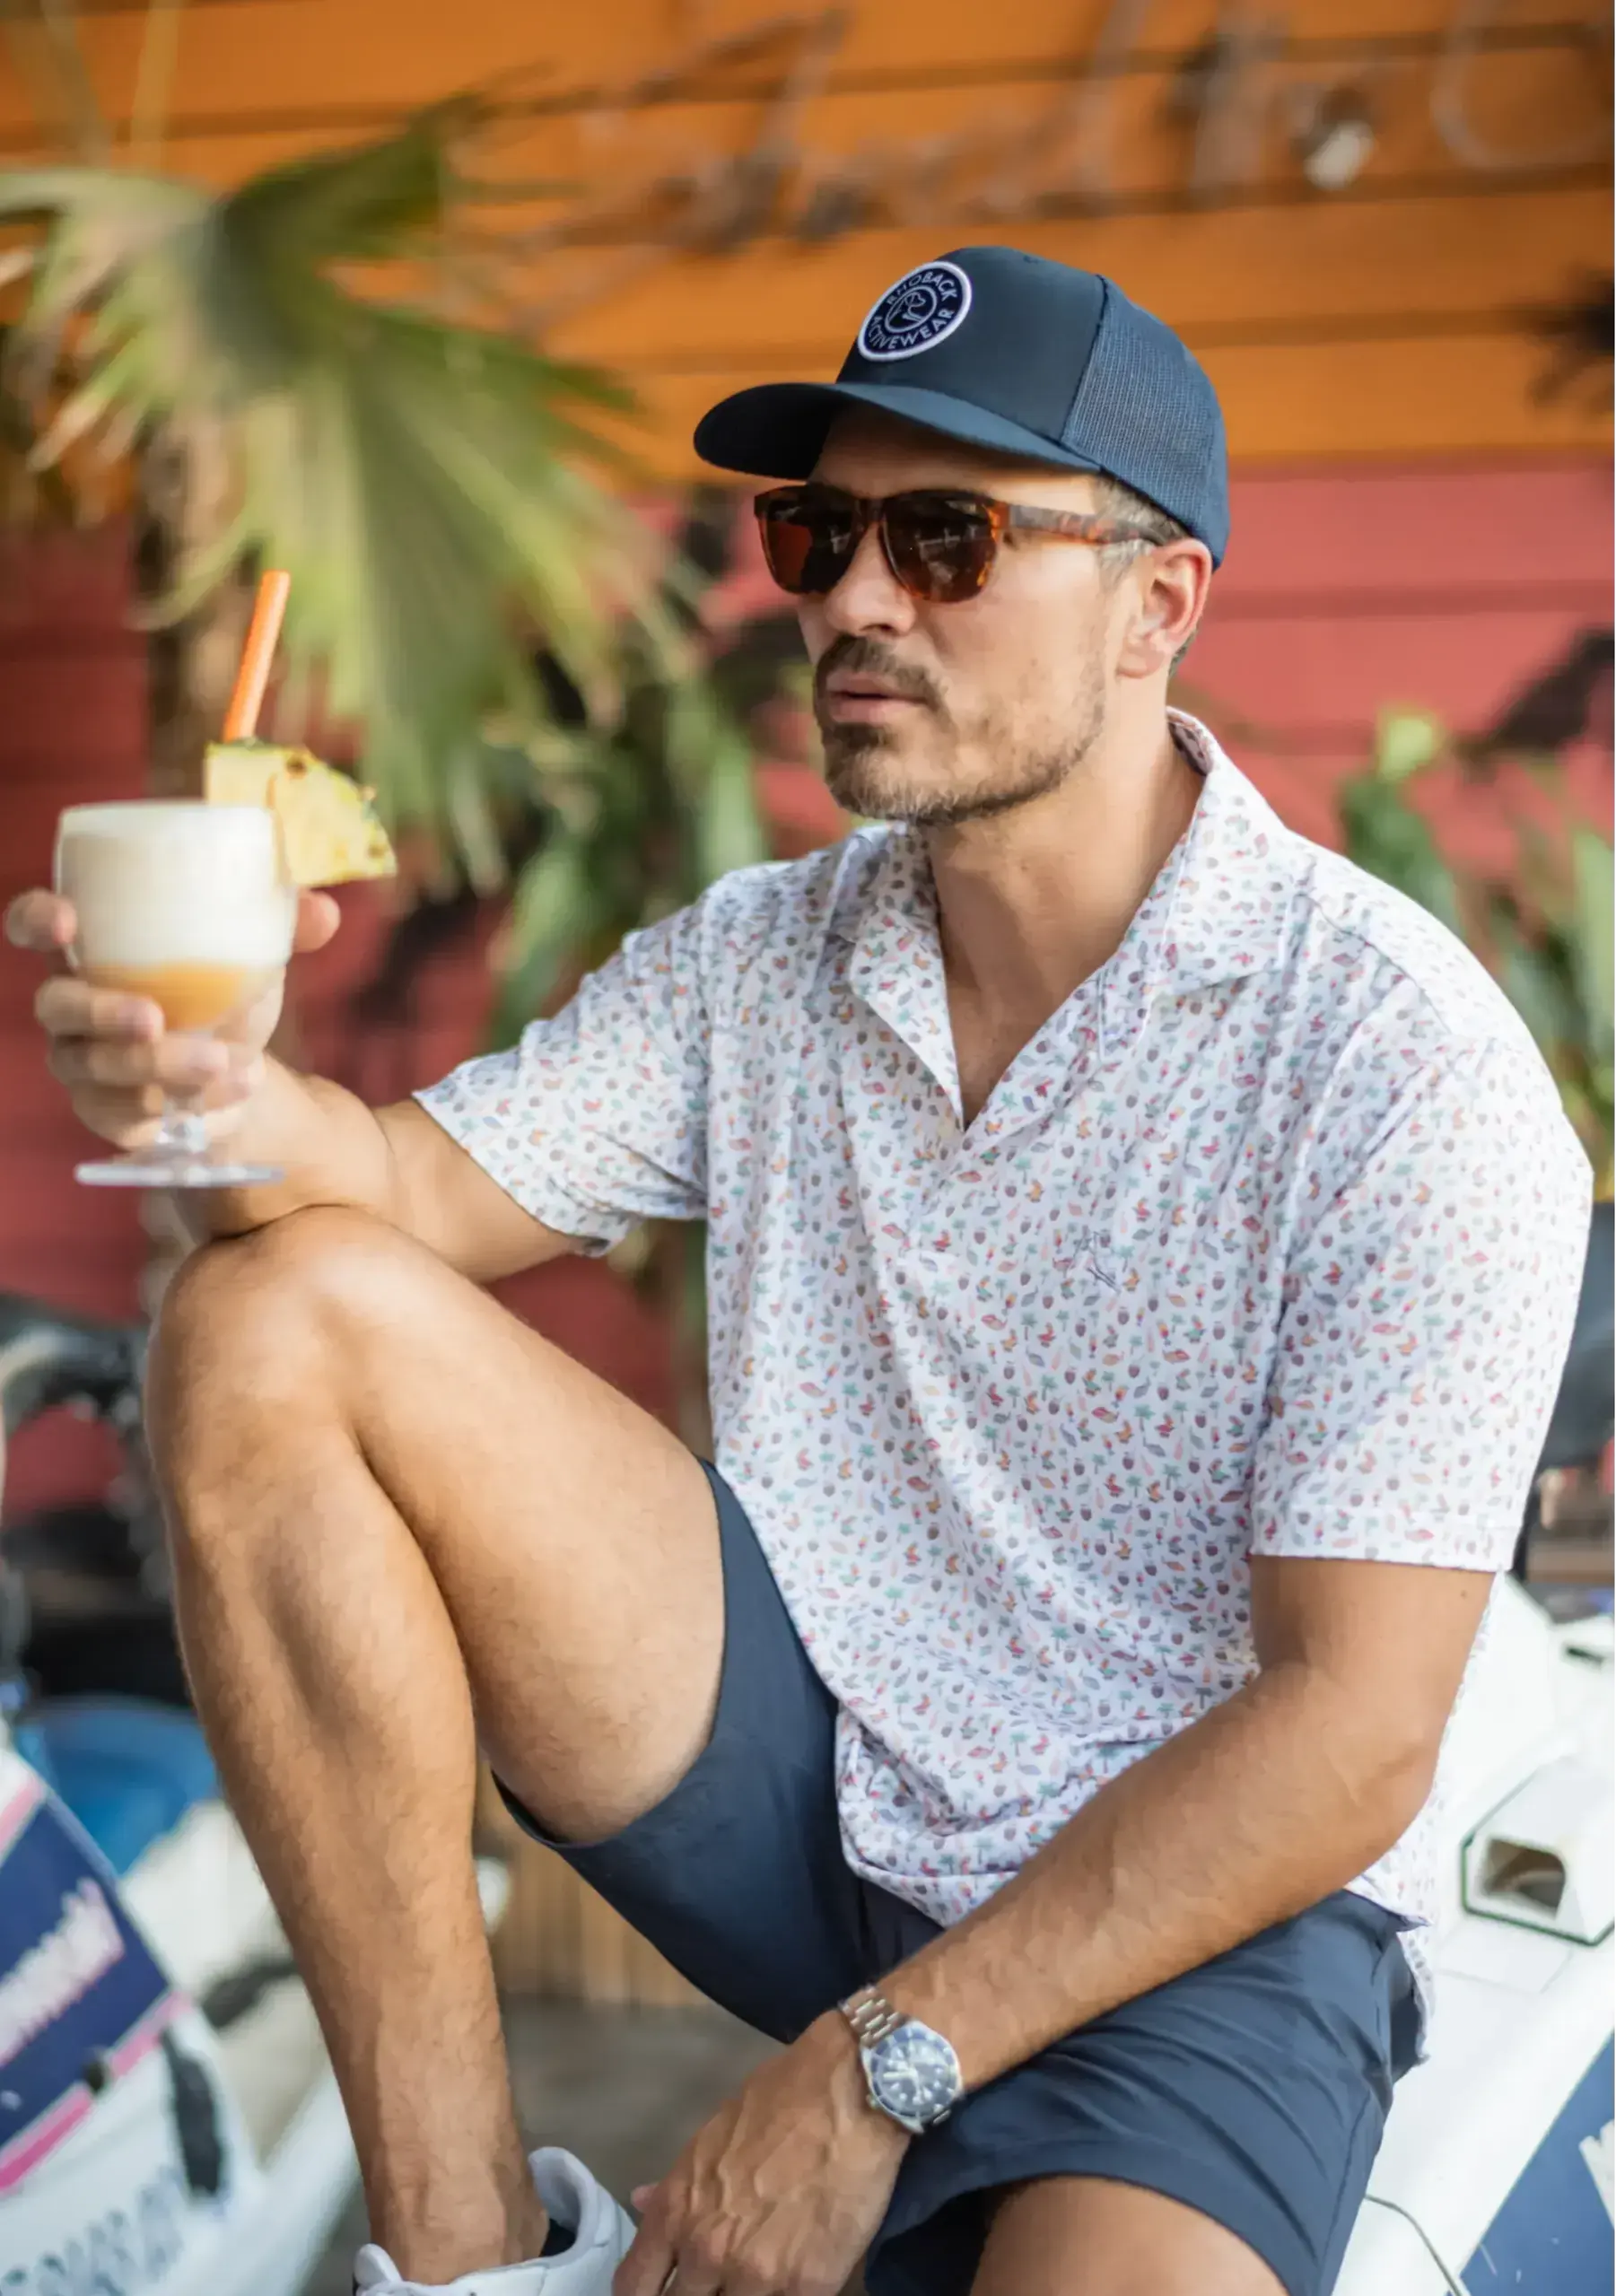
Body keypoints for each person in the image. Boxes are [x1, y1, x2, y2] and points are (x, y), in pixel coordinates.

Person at [7, 248, 1593, 2296]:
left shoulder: (1394, 1061)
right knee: (263, 1307)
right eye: (818, 532)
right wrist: (209, 1077)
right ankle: (472, 2263)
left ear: (1159, 605)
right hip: (821, 1786)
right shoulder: (767, 956)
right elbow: (381, 1189)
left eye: (945, 539)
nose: (851, 600)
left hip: (1200, 1916)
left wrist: (870, 2073)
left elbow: (1352, 1736)